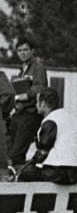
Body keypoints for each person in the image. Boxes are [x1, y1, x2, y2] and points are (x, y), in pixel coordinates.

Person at [15, 87, 77, 185]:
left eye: (37, 102)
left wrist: (25, 166)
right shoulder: (68, 116)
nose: (36, 105)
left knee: (26, 172)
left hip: (61, 172)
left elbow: (42, 153)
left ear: (43, 103)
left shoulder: (51, 120)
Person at [9, 38, 48, 167]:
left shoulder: (38, 66)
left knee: (17, 152)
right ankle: (14, 175)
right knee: (9, 149)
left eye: (25, 50)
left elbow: (40, 88)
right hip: (20, 113)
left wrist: (23, 96)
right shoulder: (23, 68)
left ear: (32, 51)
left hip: (31, 114)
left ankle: (20, 180)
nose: (22, 53)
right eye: (19, 50)